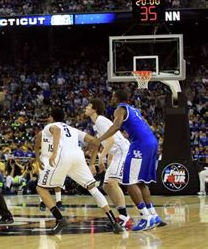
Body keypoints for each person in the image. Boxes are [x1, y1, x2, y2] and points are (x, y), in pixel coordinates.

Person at [34, 108, 123, 235]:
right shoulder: (72, 129)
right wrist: (92, 163)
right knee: (93, 189)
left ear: (51, 117)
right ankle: (114, 222)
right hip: (78, 157)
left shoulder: (51, 125)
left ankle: (60, 219)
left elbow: (56, 130)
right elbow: (95, 141)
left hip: (63, 157)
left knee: (41, 189)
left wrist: (53, 153)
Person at [91, 90, 165, 231]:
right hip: (151, 141)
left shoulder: (120, 109)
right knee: (140, 182)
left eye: (112, 96)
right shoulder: (133, 109)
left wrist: (99, 140)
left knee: (129, 181)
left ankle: (146, 218)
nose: (111, 99)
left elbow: (116, 126)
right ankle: (153, 215)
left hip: (140, 144)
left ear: (117, 98)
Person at [85, 98, 132, 229]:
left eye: (88, 106)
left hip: (123, 151)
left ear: (94, 109)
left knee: (112, 182)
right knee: (106, 186)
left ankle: (125, 217)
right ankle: (123, 215)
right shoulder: (96, 123)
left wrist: (102, 158)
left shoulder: (100, 120)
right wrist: (106, 158)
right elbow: (106, 142)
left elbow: (111, 140)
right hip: (117, 153)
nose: (86, 108)